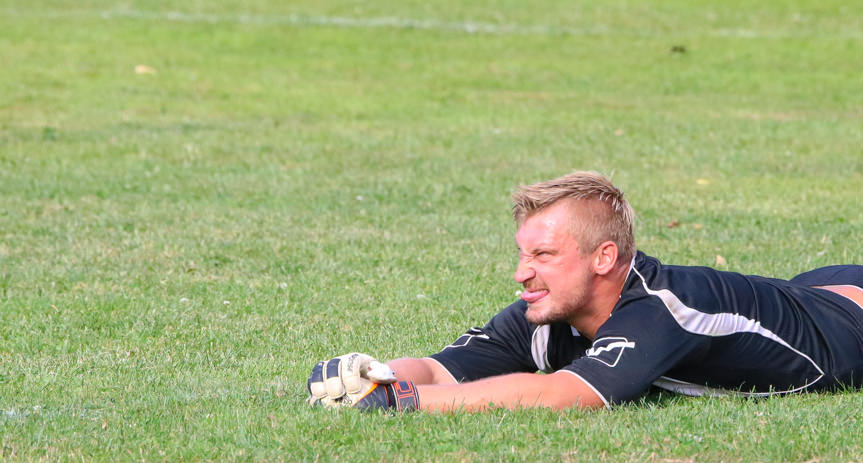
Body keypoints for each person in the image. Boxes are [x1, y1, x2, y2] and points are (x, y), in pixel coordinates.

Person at [307, 171, 863, 412]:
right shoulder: (547, 314)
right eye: (523, 255)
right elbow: (441, 369)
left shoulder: (658, 311)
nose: (523, 274)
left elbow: (563, 396)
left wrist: (405, 404)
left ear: (604, 259)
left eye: (544, 256)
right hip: (806, 294)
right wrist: (376, 375)